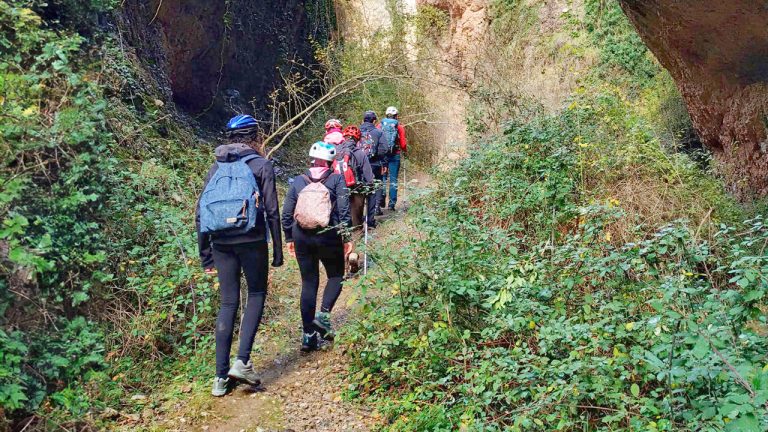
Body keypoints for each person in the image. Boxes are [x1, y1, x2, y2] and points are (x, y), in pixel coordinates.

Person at [197, 114, 284, 397]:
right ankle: (242, 361)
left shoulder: (217, 166)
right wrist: (278, 251)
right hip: (252, 239)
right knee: (256, 294)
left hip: (221, 242)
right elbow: (272, 210)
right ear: (254, 136)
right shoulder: (261, 165)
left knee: (228, 303)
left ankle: (220, 378)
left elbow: (201, 212)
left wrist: (205, 255)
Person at [281, 142, 353, 352]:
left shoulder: (298, 181)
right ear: (331, 163)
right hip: (328, 235)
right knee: (336, 275)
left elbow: (287, 213)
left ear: (311, 160)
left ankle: (308, 336)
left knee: (309, 282)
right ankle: (323, 316)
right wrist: (346, 236)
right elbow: (343, 209)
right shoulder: (336, 179)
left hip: (301, 235)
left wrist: (289, 238)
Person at [335, 125, 374, 274]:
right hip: (357, 191)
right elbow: (369, 177)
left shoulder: (336, 152)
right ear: (358, 139)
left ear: (344, 138)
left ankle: (343, 261)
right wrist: (370, 189)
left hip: (339, 193)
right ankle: (354, 254)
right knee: (356, 225)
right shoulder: (360, 153)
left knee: (342, 226)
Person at [359, 111, 388, 221]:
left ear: (363, 120)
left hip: (360, 164)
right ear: (374, 121)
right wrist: (384, 163)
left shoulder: (356, 131)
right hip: (375, 163)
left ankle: (359, 213)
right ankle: (376, 208)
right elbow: (384, 149)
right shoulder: (378, 132)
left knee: (360, 187)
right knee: (377, 184)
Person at [379, 106, 407, 211]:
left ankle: (381, 200)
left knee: (382, 178)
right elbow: (403, 144)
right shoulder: (399, 127)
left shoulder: (380, 125)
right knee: (393, 179)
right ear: (396, 116)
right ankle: (391, 204)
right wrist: (405, 151)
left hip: (382, 156)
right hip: (395, 155)